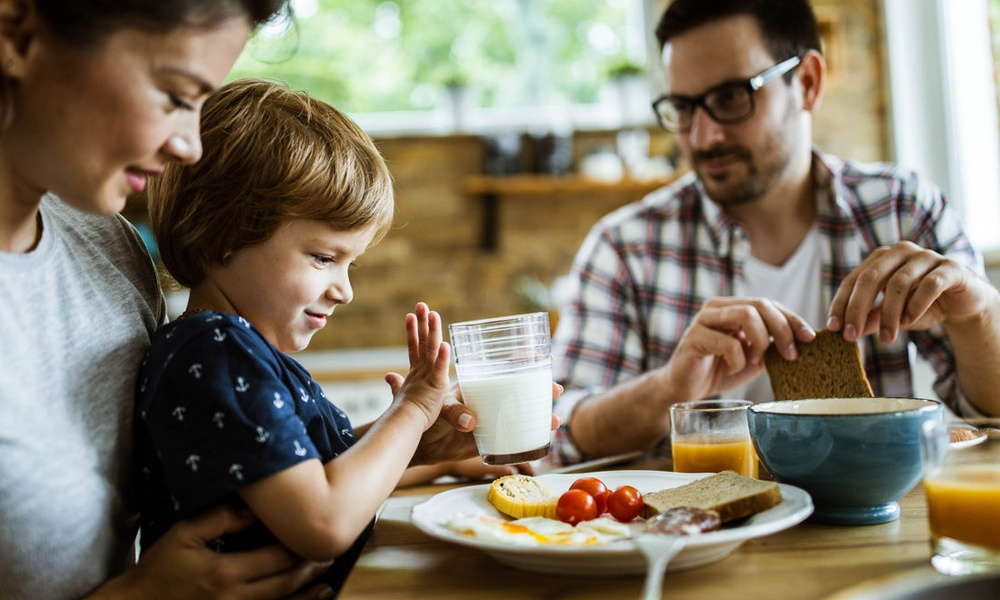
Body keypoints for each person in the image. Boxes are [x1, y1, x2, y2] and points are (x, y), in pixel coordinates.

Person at [548, 0, 1000, 465]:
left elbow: (991, 421)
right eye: (683, 108)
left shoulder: (901, 210)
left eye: (731, 98)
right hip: (699, 535)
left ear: (807, 83)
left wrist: (979, 315)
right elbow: (562, 434)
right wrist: (669, 388)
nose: (703, 137)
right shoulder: (624, 248)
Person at [135, 77, 517, 593]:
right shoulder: (216, 350)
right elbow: (326, 521)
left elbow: (320, 468)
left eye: (350, 263)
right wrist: (412, 410)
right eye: (323, 258)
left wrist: (430, 452)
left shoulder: (231, 350)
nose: (345, 291)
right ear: (222, 233)